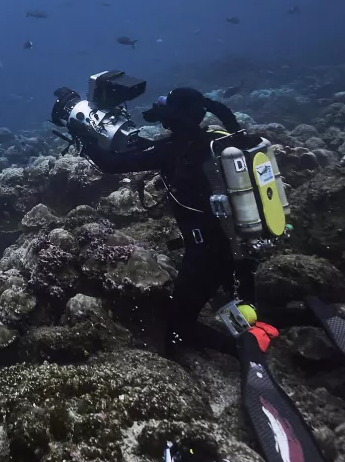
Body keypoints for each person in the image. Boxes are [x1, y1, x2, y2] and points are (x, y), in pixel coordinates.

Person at [73, 87, 274, 355]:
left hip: (206, 252)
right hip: (238, 242)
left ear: (173, 116)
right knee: (236, 298)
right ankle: (260, 319)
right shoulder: (216, 139)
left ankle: (242, 352)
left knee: (178, 327)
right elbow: (162, 151)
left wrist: (85, 140)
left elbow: (110, 164)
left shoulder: (172, 150)